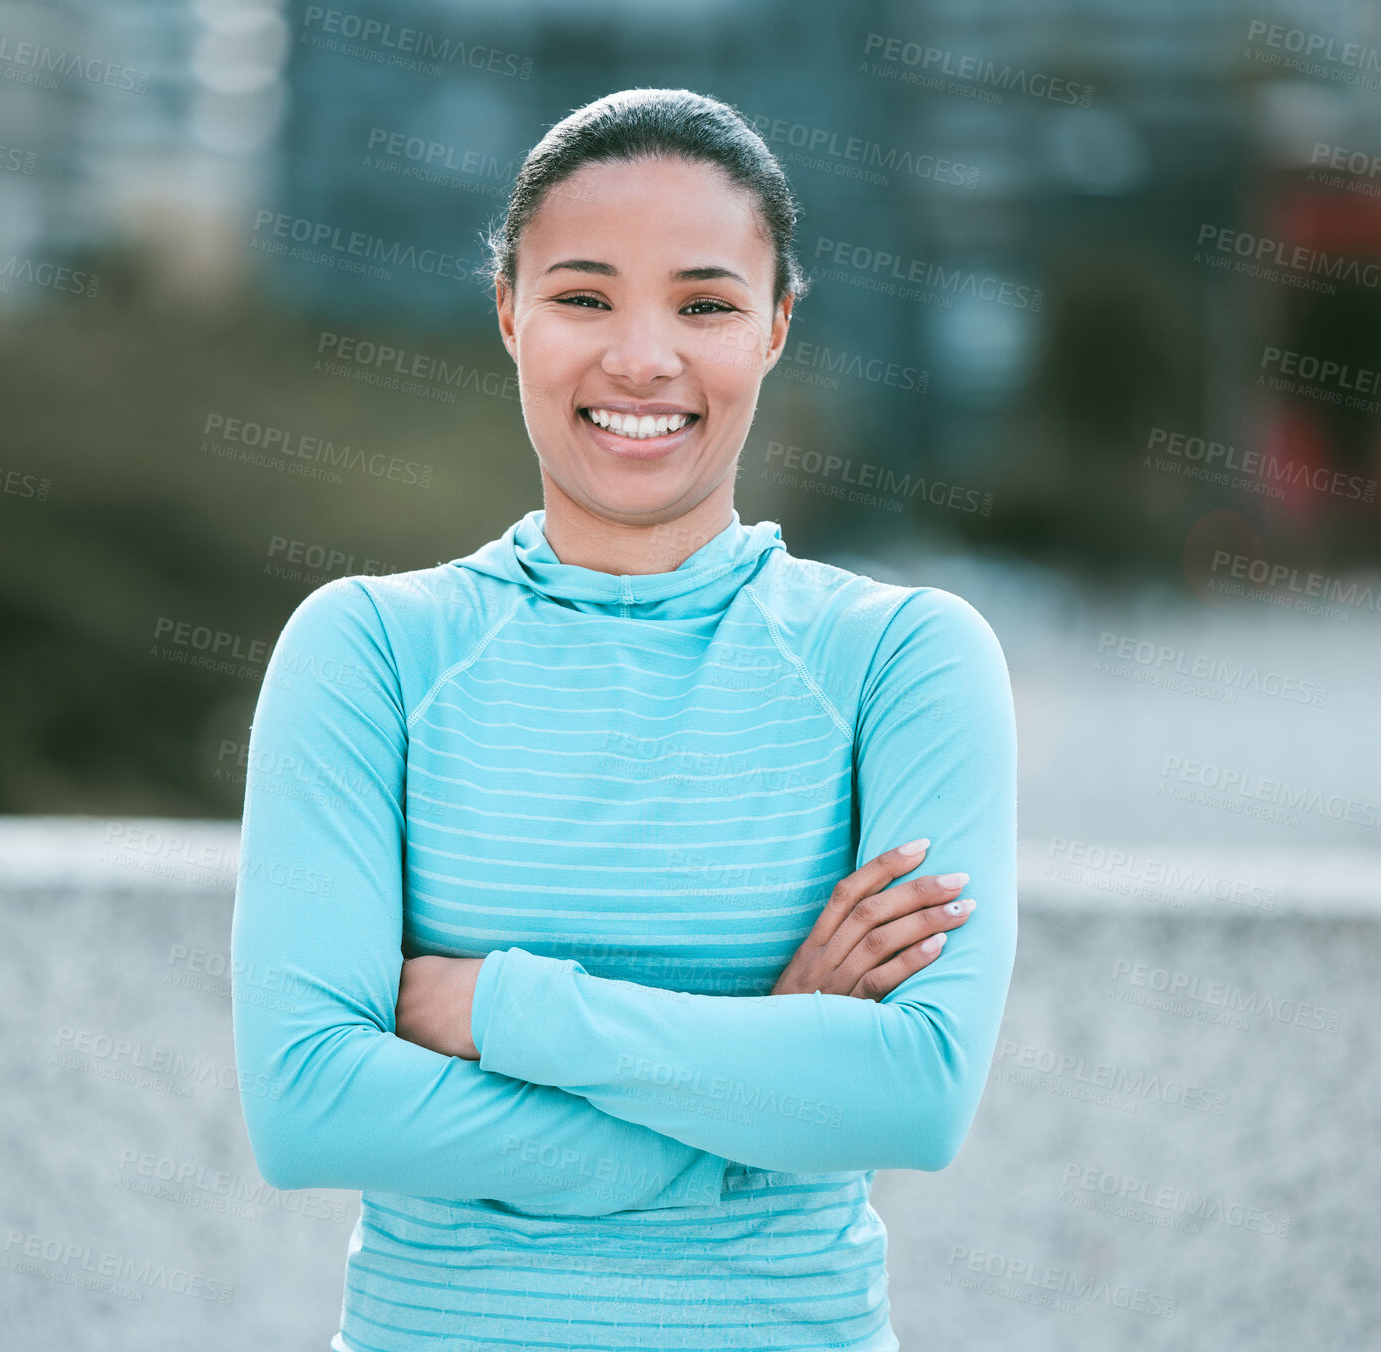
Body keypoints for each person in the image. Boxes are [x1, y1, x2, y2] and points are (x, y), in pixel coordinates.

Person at [231, 87, 1018, 1352]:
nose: (641, 357)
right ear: (509, 312)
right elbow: (310, 1106)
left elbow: (915, 1094)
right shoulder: (369, 649)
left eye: (704, 303)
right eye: (584, 295)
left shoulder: (902, 661)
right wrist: (760, 1070)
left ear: (775, 326)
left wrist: (501, 1010)